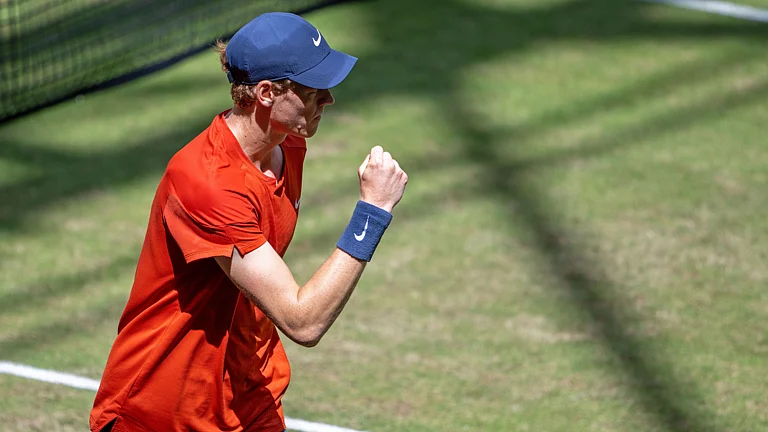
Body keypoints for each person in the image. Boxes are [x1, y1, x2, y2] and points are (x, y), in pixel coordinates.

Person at [89, 12, 408, 432]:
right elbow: (302, 320)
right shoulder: (207, 183)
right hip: (164, 412)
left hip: (249, 397)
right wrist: (373, 211)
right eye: (314, 90)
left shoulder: (288, 144)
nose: (328, 99)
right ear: (266, 93)